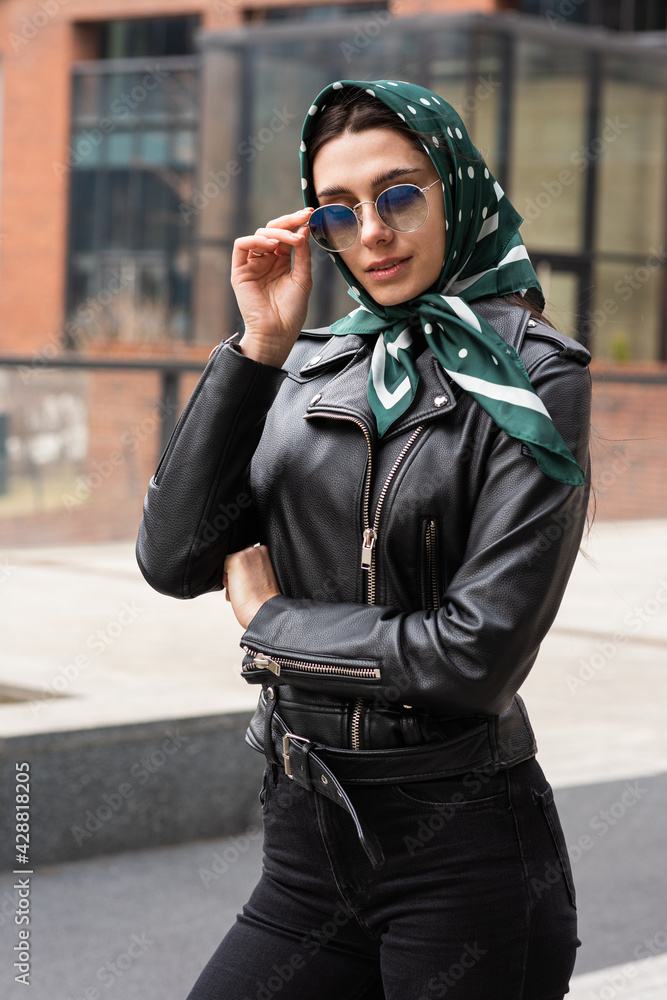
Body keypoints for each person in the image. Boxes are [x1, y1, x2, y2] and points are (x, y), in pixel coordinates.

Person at [136, 78, 592, 1000]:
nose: (372, 233)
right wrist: (258, 349)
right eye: (338, 211)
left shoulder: (534, 377)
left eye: (399, 195)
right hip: (306, 841)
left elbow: (475, 657)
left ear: (455, 190)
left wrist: (272, 623)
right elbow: (174, 558)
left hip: (462, 857)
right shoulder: (309, 364)